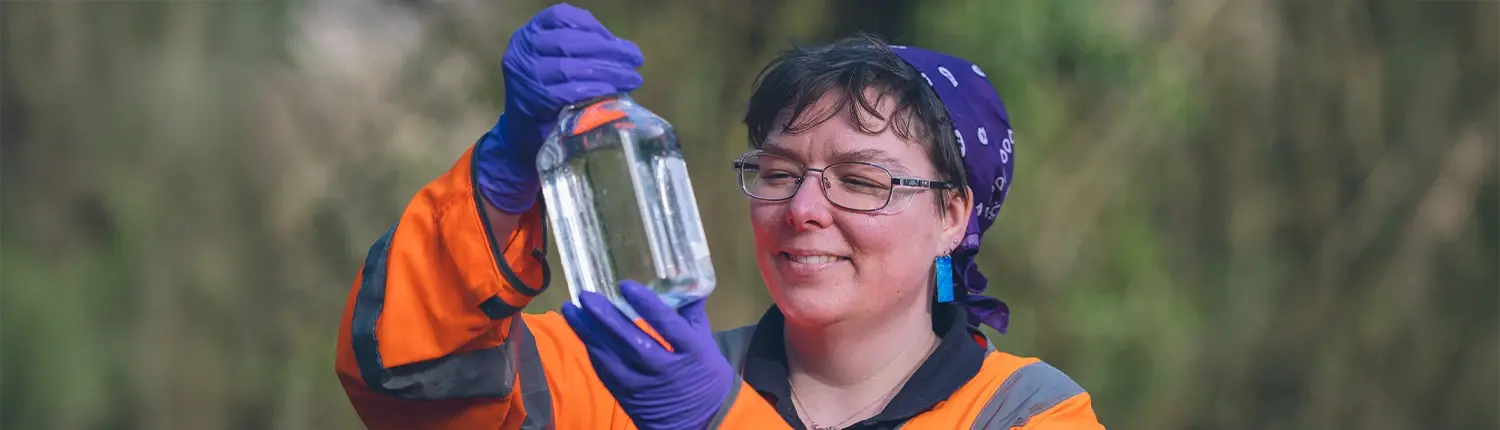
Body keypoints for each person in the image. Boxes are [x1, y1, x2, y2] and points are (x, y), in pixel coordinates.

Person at [333, 3, 1104, 429]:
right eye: (778, 172)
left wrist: (713, 420)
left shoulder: (1030, 413)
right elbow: (415, 388)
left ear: (953, 216)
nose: (803, 209)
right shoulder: (625, 378)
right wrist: (502, 184)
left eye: (860, 180)